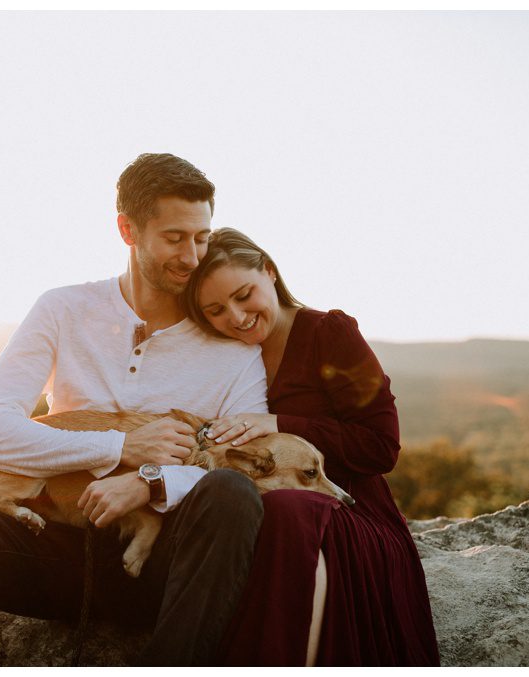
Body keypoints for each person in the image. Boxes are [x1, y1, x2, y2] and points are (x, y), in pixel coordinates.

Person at [0, 153, 268, 666]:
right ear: (128, 230)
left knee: (232, 494)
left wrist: (151, 481)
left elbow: (246, 468)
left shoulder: (235, 353)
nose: (192, 256)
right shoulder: (62, 309)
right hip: (55, 550)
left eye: (201, 237)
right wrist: (120, 447)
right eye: (175, 238)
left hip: (164, 561)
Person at [185, 228, 441, 666]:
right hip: (258, 509)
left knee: (288, 510)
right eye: (215, 310)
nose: (236, 317)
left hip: (350, 510)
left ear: (269, 271)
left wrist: (280, 423)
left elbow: (381, 446)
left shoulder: (330, 333)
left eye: (244, 295)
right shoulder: (222, 354)